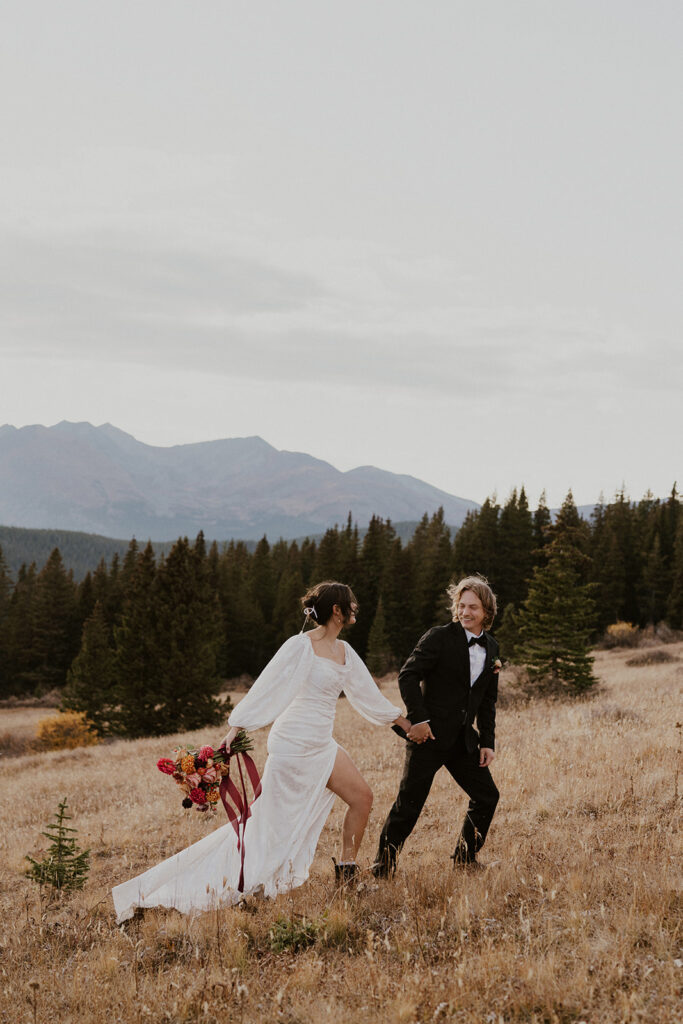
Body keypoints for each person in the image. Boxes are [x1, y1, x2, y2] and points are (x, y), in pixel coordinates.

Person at [112, 581, 411, 922]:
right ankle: (191, 887)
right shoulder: (300, 646)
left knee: (363, 797)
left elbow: (367, 694)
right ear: (337, 611)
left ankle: (346, 874)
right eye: (350, 604)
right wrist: (236, 727)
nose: (356, 608)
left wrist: (405, 724)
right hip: (292, 745)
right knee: (267, 825)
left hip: (321, 744)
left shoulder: (344, 651)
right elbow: (267, 685)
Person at [374, 575, 500, 877]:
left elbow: (486, 700)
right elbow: (407, 675)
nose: (465, 612)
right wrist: (420, 719)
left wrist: (487, 741)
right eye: (461, 605)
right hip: (428, 738)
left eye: (473, 607)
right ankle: (382, 869)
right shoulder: (439, 636)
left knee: (487, 797)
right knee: (409, 805)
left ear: (487, 612)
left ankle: (465, 859)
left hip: (463, 741)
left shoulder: (492, 648)